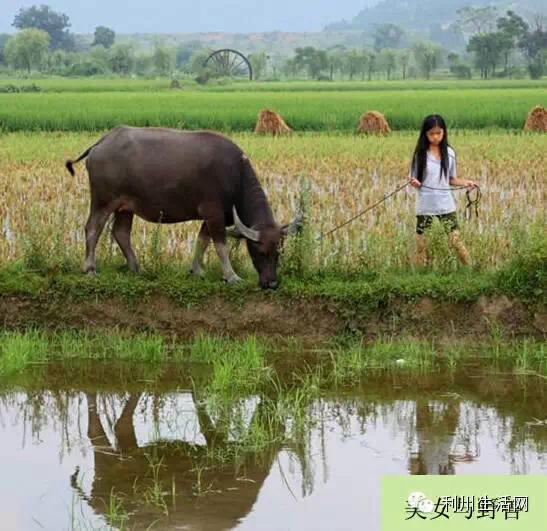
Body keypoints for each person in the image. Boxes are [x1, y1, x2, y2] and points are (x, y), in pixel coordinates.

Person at [408, 114, 478, 267]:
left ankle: (470, 269)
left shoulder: (450, 153)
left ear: (444, 132)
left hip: (445, 204)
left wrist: (466, 182)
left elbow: (451, 179)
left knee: (455, 240)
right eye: (431, 133)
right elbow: (414, 180)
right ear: (425, 134)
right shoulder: (420, 155)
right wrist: (414, 182)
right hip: (425, 205)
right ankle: (419, 274)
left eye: (438, 133)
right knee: (421, 244)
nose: (435, 137)